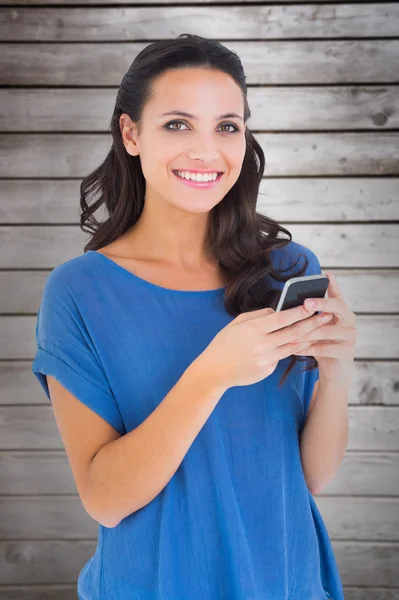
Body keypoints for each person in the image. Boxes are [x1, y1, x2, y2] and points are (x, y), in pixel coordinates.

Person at [32, 34, 346, 600]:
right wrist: (212, 374)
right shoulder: (80, 291)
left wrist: (339, 369)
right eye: (178, 124)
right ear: (131, 134)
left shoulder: (287, 269)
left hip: (284, 581)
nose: (207, 151)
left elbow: (311, 477)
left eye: (227, 126)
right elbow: (104, 498)